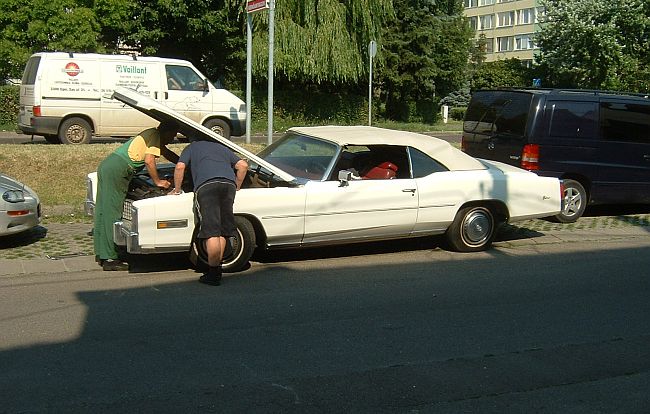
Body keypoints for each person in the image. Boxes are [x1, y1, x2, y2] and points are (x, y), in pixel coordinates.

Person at [94, 121, 180, 271]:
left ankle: (101, 253)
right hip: (118, 170)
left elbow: (167, 153)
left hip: (109, 166)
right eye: (172, 135)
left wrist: (183, 163)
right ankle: (110, 259)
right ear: (166, 132)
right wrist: (158, 182)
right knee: (112, 213)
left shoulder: (152, 134)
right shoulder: (155, 136)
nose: (172, 139)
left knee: (102, 210)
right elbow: (149, 160)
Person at [170, 139, 248, 286]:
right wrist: (236, 186)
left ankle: (213, 274)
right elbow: (243, 165)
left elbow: (180, 167)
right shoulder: (222, 147)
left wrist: (177, 189)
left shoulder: (192, 147)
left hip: (207, 186)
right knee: (223, 230)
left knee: (211, 230)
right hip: (228, 185)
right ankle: (217, 268)